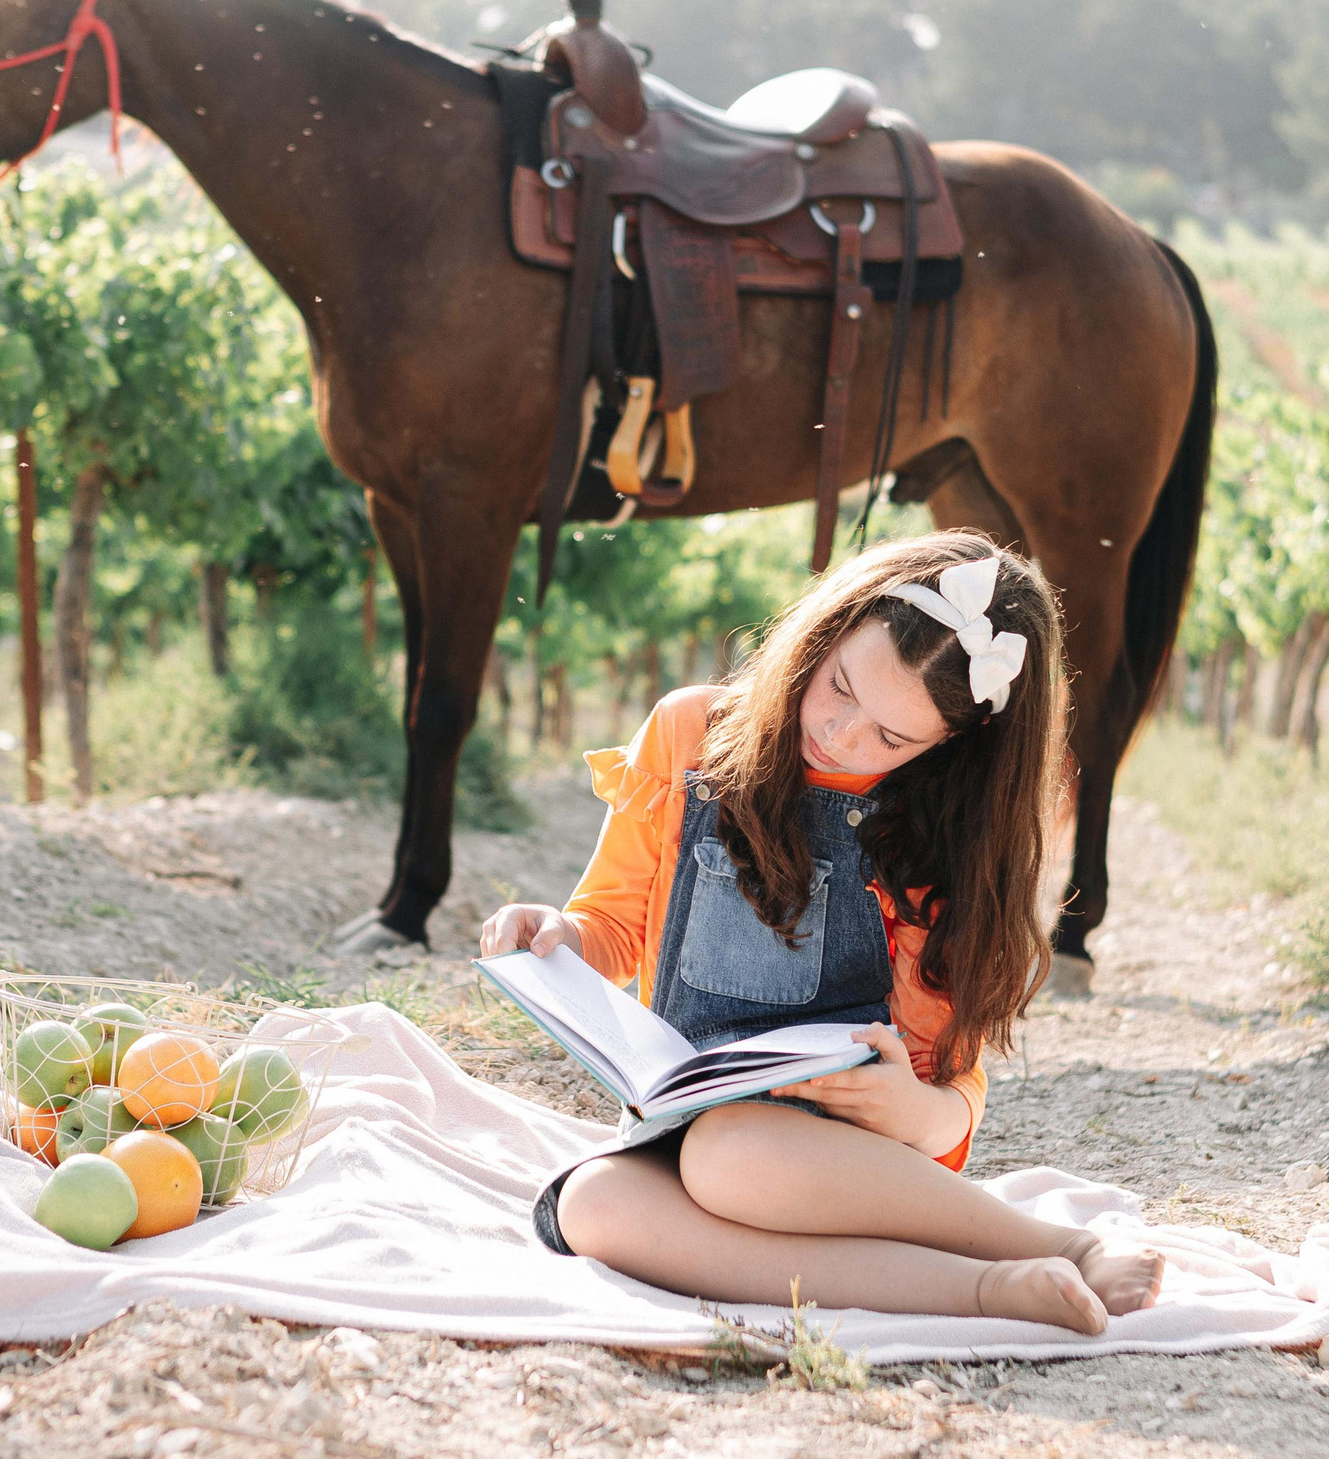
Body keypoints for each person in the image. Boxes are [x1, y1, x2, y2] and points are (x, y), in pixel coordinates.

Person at [481, 531, 1165, 1332]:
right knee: (590, 1204)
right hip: (676, 1115)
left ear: (949, 747)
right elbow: (611, 925)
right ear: (824, 632)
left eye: (891, 736)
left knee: (732, 1159)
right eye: (839, 685)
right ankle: (986, 1288)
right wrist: (557, 934)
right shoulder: (693, 733)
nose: (842, 734)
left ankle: (1064, 1247)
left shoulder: (938, 835)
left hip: (829, 1156)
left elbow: (954, 1090)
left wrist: (909, 1110)